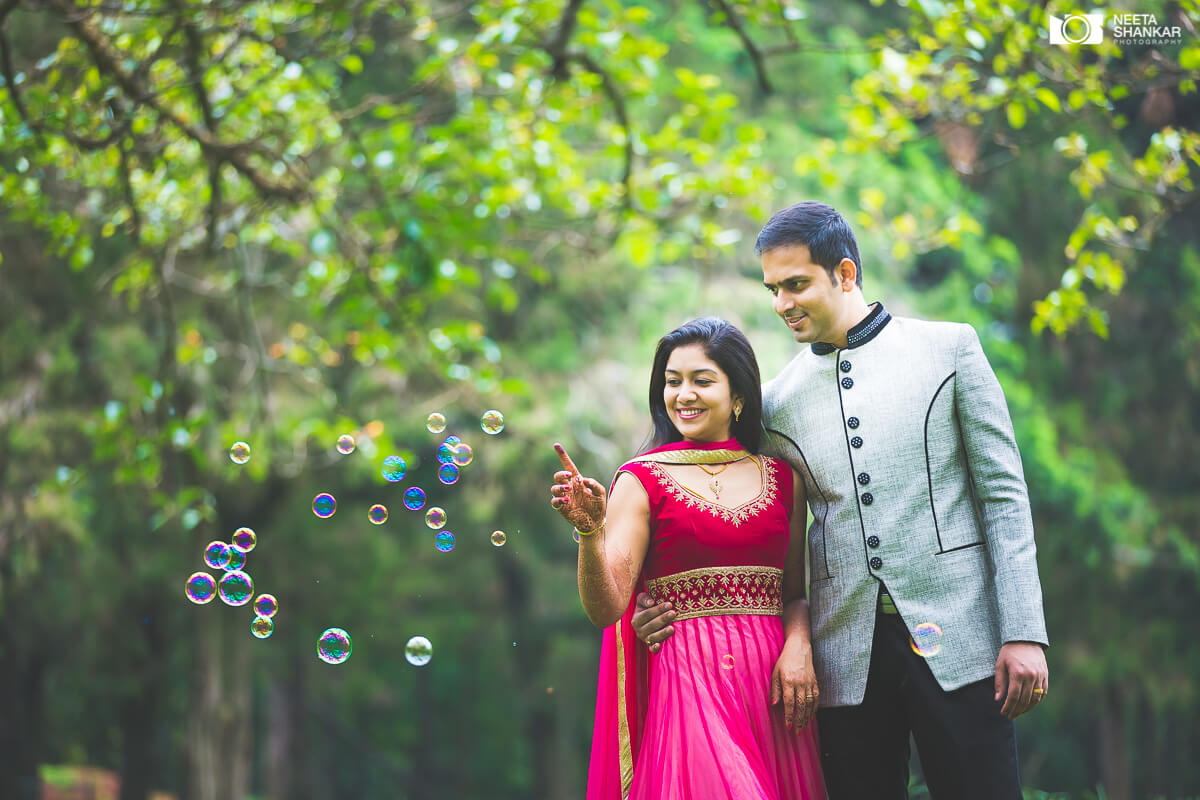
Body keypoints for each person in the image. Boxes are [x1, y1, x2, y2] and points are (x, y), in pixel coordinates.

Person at [630, 201, 1050, 799]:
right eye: (773, 289)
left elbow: (1004, 498)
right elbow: (722, 500)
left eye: (796, 284)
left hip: (961, 639)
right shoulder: (774, 402)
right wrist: (660, 596)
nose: (782, 304)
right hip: (841, 662)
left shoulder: (951, 351)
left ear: (845, 273)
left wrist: (1024, 630)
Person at [550, 318, 826, 800]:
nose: (683, 395)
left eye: (701, 380)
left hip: (773, 685)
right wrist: (590, 531)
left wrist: (799, 644)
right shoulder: (641, 479)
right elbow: (606, 608)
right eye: (672, 381)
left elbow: (794, 594)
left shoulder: (784, 478)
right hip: (687, 677)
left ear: (738, 394)